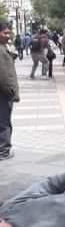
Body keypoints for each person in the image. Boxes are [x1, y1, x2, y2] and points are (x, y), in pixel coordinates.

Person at [0, 21, 19, 161]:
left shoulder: (3, 48)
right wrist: (11, 92)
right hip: (4, 94)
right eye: (5, 32)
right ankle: (3, 151)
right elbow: (4, 75)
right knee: (4, 122)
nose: (8, 35)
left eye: (9, 32)